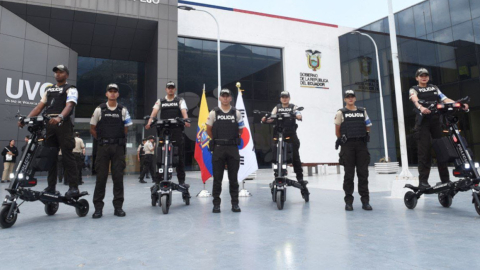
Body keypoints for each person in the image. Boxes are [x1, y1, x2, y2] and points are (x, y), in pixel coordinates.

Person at [18, 64, 80, 198]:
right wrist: (26, 119)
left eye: (61, 72)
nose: (58, 74)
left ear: (66, 75)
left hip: (63, 124)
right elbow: (39, 107)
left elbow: (70, 105)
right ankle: (51, 187)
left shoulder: (71, 89)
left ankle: (74, 187)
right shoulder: (49, 90)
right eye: (56, 72)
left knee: (67, 155)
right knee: (50, 156)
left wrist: (60, 117)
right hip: (49, 125)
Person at [409, 68, 469, 189]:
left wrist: (460, 105)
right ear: (417, 78)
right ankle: (423, 182)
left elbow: (445, 99)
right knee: (424, 153)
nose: (424, 77)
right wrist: (421, 107)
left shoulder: (434, 88)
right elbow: (414, 99)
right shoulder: (414, 89)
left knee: (442, 150)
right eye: (421, 76)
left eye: (426, 75)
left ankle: (445, 180)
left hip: (436, 121)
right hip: (423, 122)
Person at [90, 83, 132, 218]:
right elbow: (92, 128)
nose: (113, 93)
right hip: (103, 148)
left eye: (115, 91)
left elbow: (126, 129)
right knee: (101, 178)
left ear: (118, 94)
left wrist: (116, 140)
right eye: (110, 91)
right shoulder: (99, 109)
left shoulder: (123, 110)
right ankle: (98, 208)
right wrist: (102, 140)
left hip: (118, 148)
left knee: (118, 178)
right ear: (106, 94)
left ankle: (118, 207)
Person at [206, 88, 244, 213]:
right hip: (218, 149)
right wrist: (218, 140)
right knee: (217, 179)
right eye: (223, 96)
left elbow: (241, 130)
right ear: (220, 98)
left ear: (231, 98)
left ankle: (235, 204)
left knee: (233, 179)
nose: (226, 98)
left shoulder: (236, 113)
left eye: (228, 96)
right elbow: (208, 130)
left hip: (233, 149)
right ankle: (216, 204)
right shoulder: (213, 113)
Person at [145, 81, 190, 186]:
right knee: (160, 154)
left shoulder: (180, 100)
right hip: (164, 130)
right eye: (169, 88)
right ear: (166, 89)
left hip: (176, 129)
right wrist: (149, 122)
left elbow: (184, 111)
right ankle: (157, 181)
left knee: (179, 155)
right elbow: (154, 112)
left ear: (174, 89)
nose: (170, 89)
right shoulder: (160, 101)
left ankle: (181, 181)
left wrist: (186, 120)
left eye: (172, 88)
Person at [335, 90, 373, 211]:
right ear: (345, 99)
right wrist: (340, 139)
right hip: (348, 145)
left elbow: (368, 124)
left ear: (355, 98)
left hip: (361, 144)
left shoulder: (362, 111)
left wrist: (367, 134)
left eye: (352, 96)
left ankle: (365, 201)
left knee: (363, 174)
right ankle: (349, 202)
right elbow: (337, 129)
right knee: (349, 174)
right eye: (348, 97)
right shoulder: (341, 112)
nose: (350, 98)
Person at [262, 91, 304, 185]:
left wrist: (297, 115)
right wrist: (265, 119)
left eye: (286, 97)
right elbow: (271, 118)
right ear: (280, 98)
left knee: (295, 156)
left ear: (289, 98)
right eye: (283, 97)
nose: (284, 99)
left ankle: (300, 179)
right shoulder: (277, 107)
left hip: (291, 134)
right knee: (276, 154)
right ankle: (277, 175)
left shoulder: (293, 106)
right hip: (279, 134)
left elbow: (298, 113)